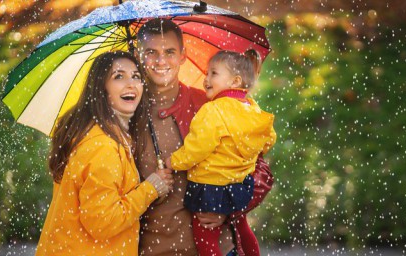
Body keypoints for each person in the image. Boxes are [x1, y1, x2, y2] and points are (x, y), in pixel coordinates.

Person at [133, 19, 274, 256]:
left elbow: (260, 171)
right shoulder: (127, 113)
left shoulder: (212, 104)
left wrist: (228, 209)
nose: (160, 61)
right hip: (153, 250)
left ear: (183, 56)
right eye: (150, 52)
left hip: (218, 247)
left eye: (169, 52)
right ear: (139, 56)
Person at [36, 51, 174, 255]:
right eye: (118, 76)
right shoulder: (102, 147)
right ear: (102, 88)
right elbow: (103, 222)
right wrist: (150, 189)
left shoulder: (103, 135)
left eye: (136, 76)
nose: (131, 84)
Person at [165, 49, 276, 256]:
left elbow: (197, 148)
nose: (206, 79)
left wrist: (175, 162)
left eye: (213, 73)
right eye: (207, 73)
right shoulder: (252, 107)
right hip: (241, 184)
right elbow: (268, 139)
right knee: (243, 228)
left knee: (204, 235)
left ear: (235, 81)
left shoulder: (212, 109)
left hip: (211, 186)